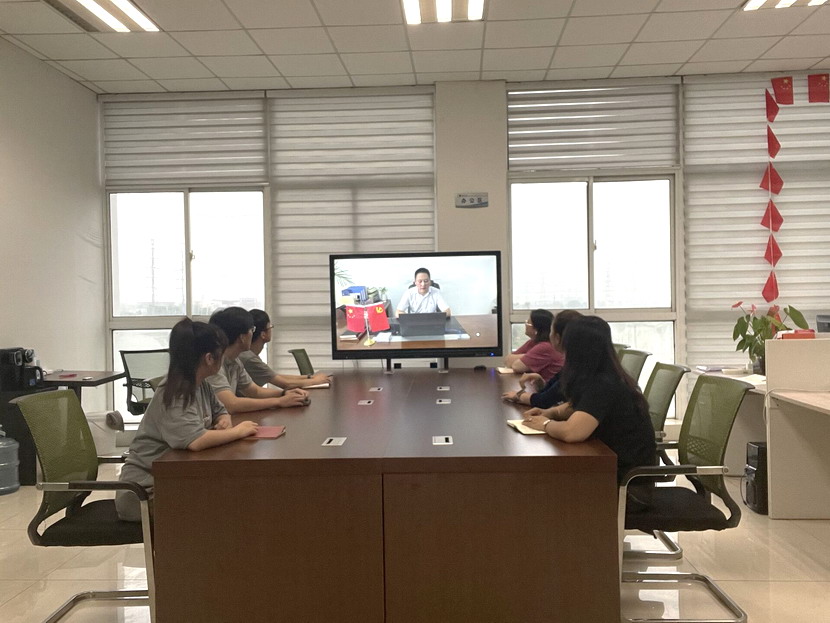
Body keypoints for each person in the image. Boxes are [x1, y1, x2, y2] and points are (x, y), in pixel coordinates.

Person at [115, 318, 259, 521]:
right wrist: (238, 431)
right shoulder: (176, 392)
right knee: (229, 507)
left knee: (236, 497)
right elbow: (195, 441)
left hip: (173, 481)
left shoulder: (201, 384)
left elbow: (220, 410)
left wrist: (224, 420)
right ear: (209, 358)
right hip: (145, 494)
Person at [521, 315, 657, 490]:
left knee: (540, 487)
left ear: (577, 349)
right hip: (611, 471)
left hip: (626, 485)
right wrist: (550, 413)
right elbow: (581, 407)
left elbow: (572, 432)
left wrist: (545, 424)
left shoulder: (604, 384)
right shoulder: (603, 376)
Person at [207, 307, 309, 412]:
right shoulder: (213, 364)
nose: (253, 334)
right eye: (252, 330)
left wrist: (284, 393)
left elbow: (254, 391)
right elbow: (231, 404)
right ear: (242, 337)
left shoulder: (235, 360)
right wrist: (279, 401)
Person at [502, 309, 582, 408]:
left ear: (557, 337)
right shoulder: (572, 364)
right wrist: (540, 383)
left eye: (551, 331)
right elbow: (550, 392)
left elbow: (544, 400)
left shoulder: (575, 367)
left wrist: (518, 396)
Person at [240, 309, 331, 390]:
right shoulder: (250, 358)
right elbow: (286, 384)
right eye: (270, 327)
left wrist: (310, 377)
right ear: (263, 334)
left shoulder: (249, 354)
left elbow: (275, 376)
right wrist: (316, 381)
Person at [504, 309, 563, 382]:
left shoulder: (546, 347)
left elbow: (517, 366)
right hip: (536, 385)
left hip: (548, 387)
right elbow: (507, 359)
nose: (525, 325)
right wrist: (529, 356)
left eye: (528, 323)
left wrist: (528, 357)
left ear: (536, 329)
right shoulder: (532, 342)